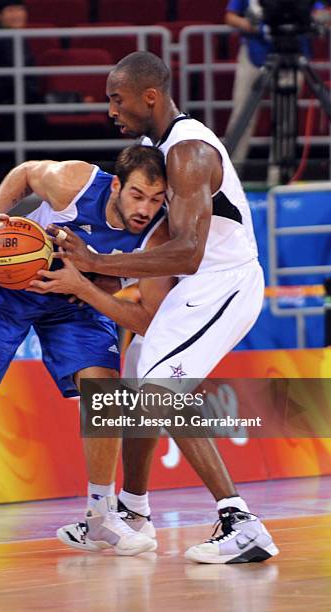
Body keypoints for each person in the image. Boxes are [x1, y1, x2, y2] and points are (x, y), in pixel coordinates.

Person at [43, 50, 279, 564]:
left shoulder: (188, 151)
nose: (110, 109)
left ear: (149, 96)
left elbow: (191, 254)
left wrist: (100, 261)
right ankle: (132, 508)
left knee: (154, 386)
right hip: (204, 282)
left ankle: (240, 521)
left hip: (223, 282)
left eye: (117, 98)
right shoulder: (162, 147)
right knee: (135, 374)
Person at [0, 144, 169, 562]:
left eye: (156, 199)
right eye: (138, 195)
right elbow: (24, 173)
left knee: (105, 394)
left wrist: (87, 287)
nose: (146, 208)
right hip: (9, 291)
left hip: (73, 300)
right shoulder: (76, 182)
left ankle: (100, 514)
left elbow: (146, 320)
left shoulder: (157, 234)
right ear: (115, 186)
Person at [224, 0, 327, 178]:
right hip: (253, 56)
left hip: (293, 55)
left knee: (285, 121)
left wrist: (314, 20)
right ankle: (229, 173)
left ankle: (278, 175)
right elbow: (230, 16)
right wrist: (249, 25)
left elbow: (318, 13)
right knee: (242, 115)